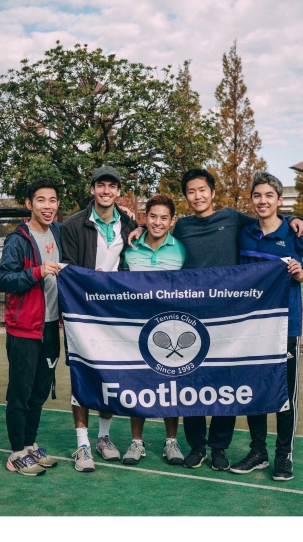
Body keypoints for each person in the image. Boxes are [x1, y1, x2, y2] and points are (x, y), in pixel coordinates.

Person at [127, 168, 303, 472]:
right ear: (187, 197)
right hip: (191, 319)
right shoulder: (181, 226)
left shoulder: (232, 218)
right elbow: (156, 233)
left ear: (212, 191)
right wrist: (137, 230)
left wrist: (293, 218)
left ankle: (219, 447)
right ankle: (197, 446)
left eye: (202, 190)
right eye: (191, 192)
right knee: (194, 382)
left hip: (230, 320)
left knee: (227, 382)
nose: (197, 196)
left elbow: (267, 218)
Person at [229, 171, 303, 481]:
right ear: (251, 200)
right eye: (257, 195)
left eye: (268, 196)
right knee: (255, 391)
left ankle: (283, 455)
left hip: (286, 326)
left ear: (279, 200)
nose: (262, 201)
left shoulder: (294, 232)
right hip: (253, 327)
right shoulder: (244, 233)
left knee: (284, 394)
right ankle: (258, 452)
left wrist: (296, 271)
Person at [60, 166, 138, 472]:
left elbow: (132, 266)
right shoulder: (73, 224)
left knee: (111, 376)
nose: (106, 191)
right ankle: (82, 445)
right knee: (83, 376)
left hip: (115, 315)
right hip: (82, 314)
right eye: (100, 185)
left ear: (118, 191)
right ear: (92, 189)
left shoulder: (130, 223)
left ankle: (104, 438)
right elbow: (69, 270)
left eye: (112, 186)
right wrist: (95, 281)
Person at [0, 178, 63, 476]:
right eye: (41, 200)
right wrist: (36, 272)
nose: (47, 206)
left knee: (39, 391)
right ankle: (16, 452)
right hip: (24, 327)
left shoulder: (59, 233)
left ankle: (30, 444)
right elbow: (5, 280)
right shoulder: (18, 239)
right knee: (20, 392)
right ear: (29, 204)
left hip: (51, 326)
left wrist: (130, 221)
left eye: (52, 200)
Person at [121, 194, 186, 466]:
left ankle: (171, 441)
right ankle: (137, 442)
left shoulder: (182, 249)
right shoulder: (130, 248)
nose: (157, 222)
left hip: (171, 328)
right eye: (152, 216)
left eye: (164, 218)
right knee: (139, 386)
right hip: (136, 330)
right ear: (144, 218)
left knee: (171, 386)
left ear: (172, 221)